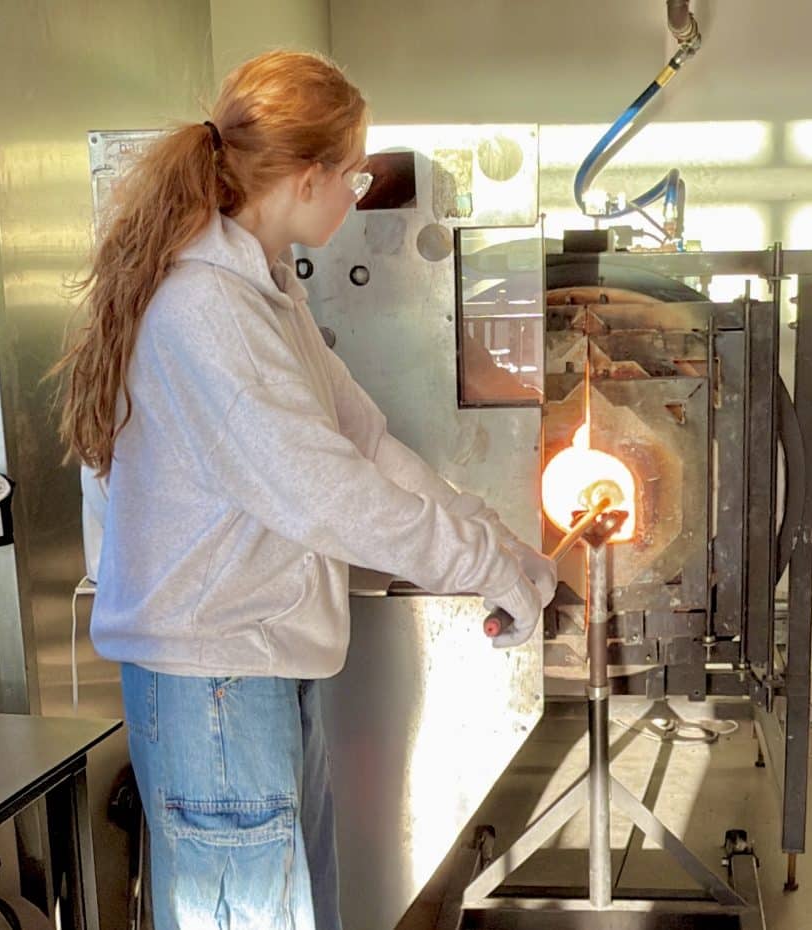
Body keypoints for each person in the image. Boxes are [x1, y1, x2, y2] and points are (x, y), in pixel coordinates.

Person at [53, 50, 555, 930]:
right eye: (354, 174)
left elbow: (365, 444)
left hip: (260, 666)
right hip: (215, 684)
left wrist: (496, 548)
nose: (359, 193)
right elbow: (325, 494)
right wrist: (479, 559)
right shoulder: (206, 311)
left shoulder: (267, 294)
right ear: (308, 175)